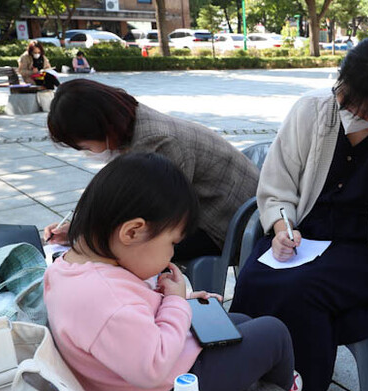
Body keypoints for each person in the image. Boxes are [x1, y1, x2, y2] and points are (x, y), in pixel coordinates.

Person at [229, 35, 368, 391]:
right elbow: (276, 187)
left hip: (362, 253)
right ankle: (248, 377)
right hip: (302, 236)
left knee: (301, 293)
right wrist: (280, 228)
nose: (350, 108)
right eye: (347, 96)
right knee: (255, 276)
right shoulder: (312, 112)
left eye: (365, 107)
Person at [43, 152, 296, 391]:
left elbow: (129, 319)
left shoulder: (67, 266)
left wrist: (171, 301)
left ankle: (251, 385)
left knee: (238, 322)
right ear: (132, 232)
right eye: (172, 243)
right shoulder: (109, 299)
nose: (172, 254)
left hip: (121, 385)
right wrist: (176, 303)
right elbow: (154, 364)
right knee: (273, 333)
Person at [44, 79, 260, 261]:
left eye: (85, 147)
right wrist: (77, 229)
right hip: (201, 209)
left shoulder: (157, 143)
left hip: (227, 225)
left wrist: (84, 235)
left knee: (126, 250)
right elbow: (124, 198)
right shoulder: (129, 122)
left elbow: (152, 215)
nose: (87, 153)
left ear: (102, 129)